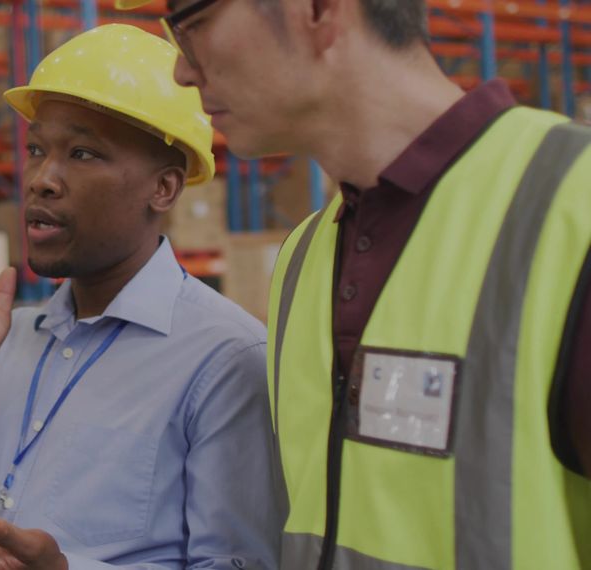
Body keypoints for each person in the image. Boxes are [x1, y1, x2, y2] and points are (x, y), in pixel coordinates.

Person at [112, 0, 591, 567]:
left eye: (192, 27)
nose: (182, 70)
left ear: (316, 10)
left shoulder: (570, 203)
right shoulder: (303, 257)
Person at [0, 23, 285, 569]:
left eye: (82, 154)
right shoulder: (1, 343)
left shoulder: (225, 360)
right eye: (37, 149)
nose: (42, 180)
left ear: (164, 188)